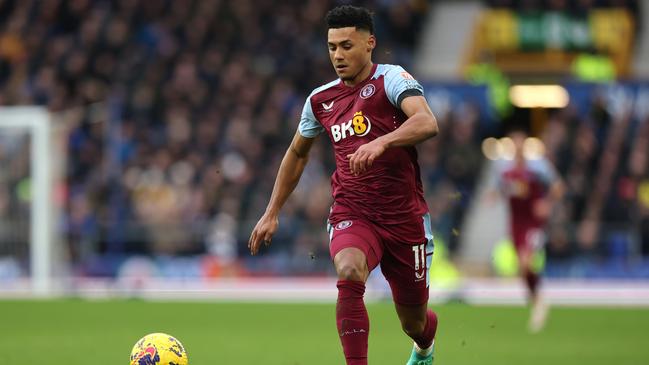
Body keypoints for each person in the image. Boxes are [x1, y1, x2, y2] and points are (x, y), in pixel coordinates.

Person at [248, 5, 439, 365]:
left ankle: (424, 347)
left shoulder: (392, 80)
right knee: (349, 270)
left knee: (413, 322)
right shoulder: (320, 100)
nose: (338, 55)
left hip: (404, 218)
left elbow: (427, 122)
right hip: (353, 211)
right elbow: (297, 153)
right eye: (332, 47)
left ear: (370, 43)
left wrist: (382, 141)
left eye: (347, 46)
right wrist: (272, 212)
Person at [489, 129, 564, 332]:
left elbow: (558, 187)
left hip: (533, 223)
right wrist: (494, 196)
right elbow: (498, 190)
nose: (518, 146)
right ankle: (537, 301)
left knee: (525, 262)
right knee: (523, 269)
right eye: (515, 142)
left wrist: (546, 203)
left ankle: (538, 302)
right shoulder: (504, 169)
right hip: (516, 223)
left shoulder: (538, 167)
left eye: (521, 142)